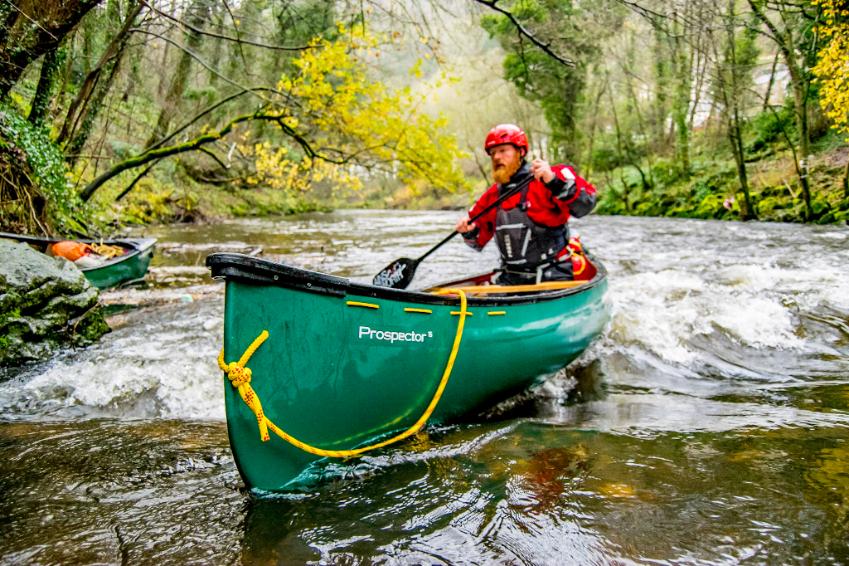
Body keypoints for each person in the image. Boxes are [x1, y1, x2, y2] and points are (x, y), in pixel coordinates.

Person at [455, 123, 597, 285]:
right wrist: (468, 232)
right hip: (511, 277)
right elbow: (477, 244)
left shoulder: (549, 176)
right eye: (493, 153)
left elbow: (586, 206)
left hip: (556, 274)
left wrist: (554, 183)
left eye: (503, 151)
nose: (496, 157)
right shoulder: (492, 196)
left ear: (521, 152)